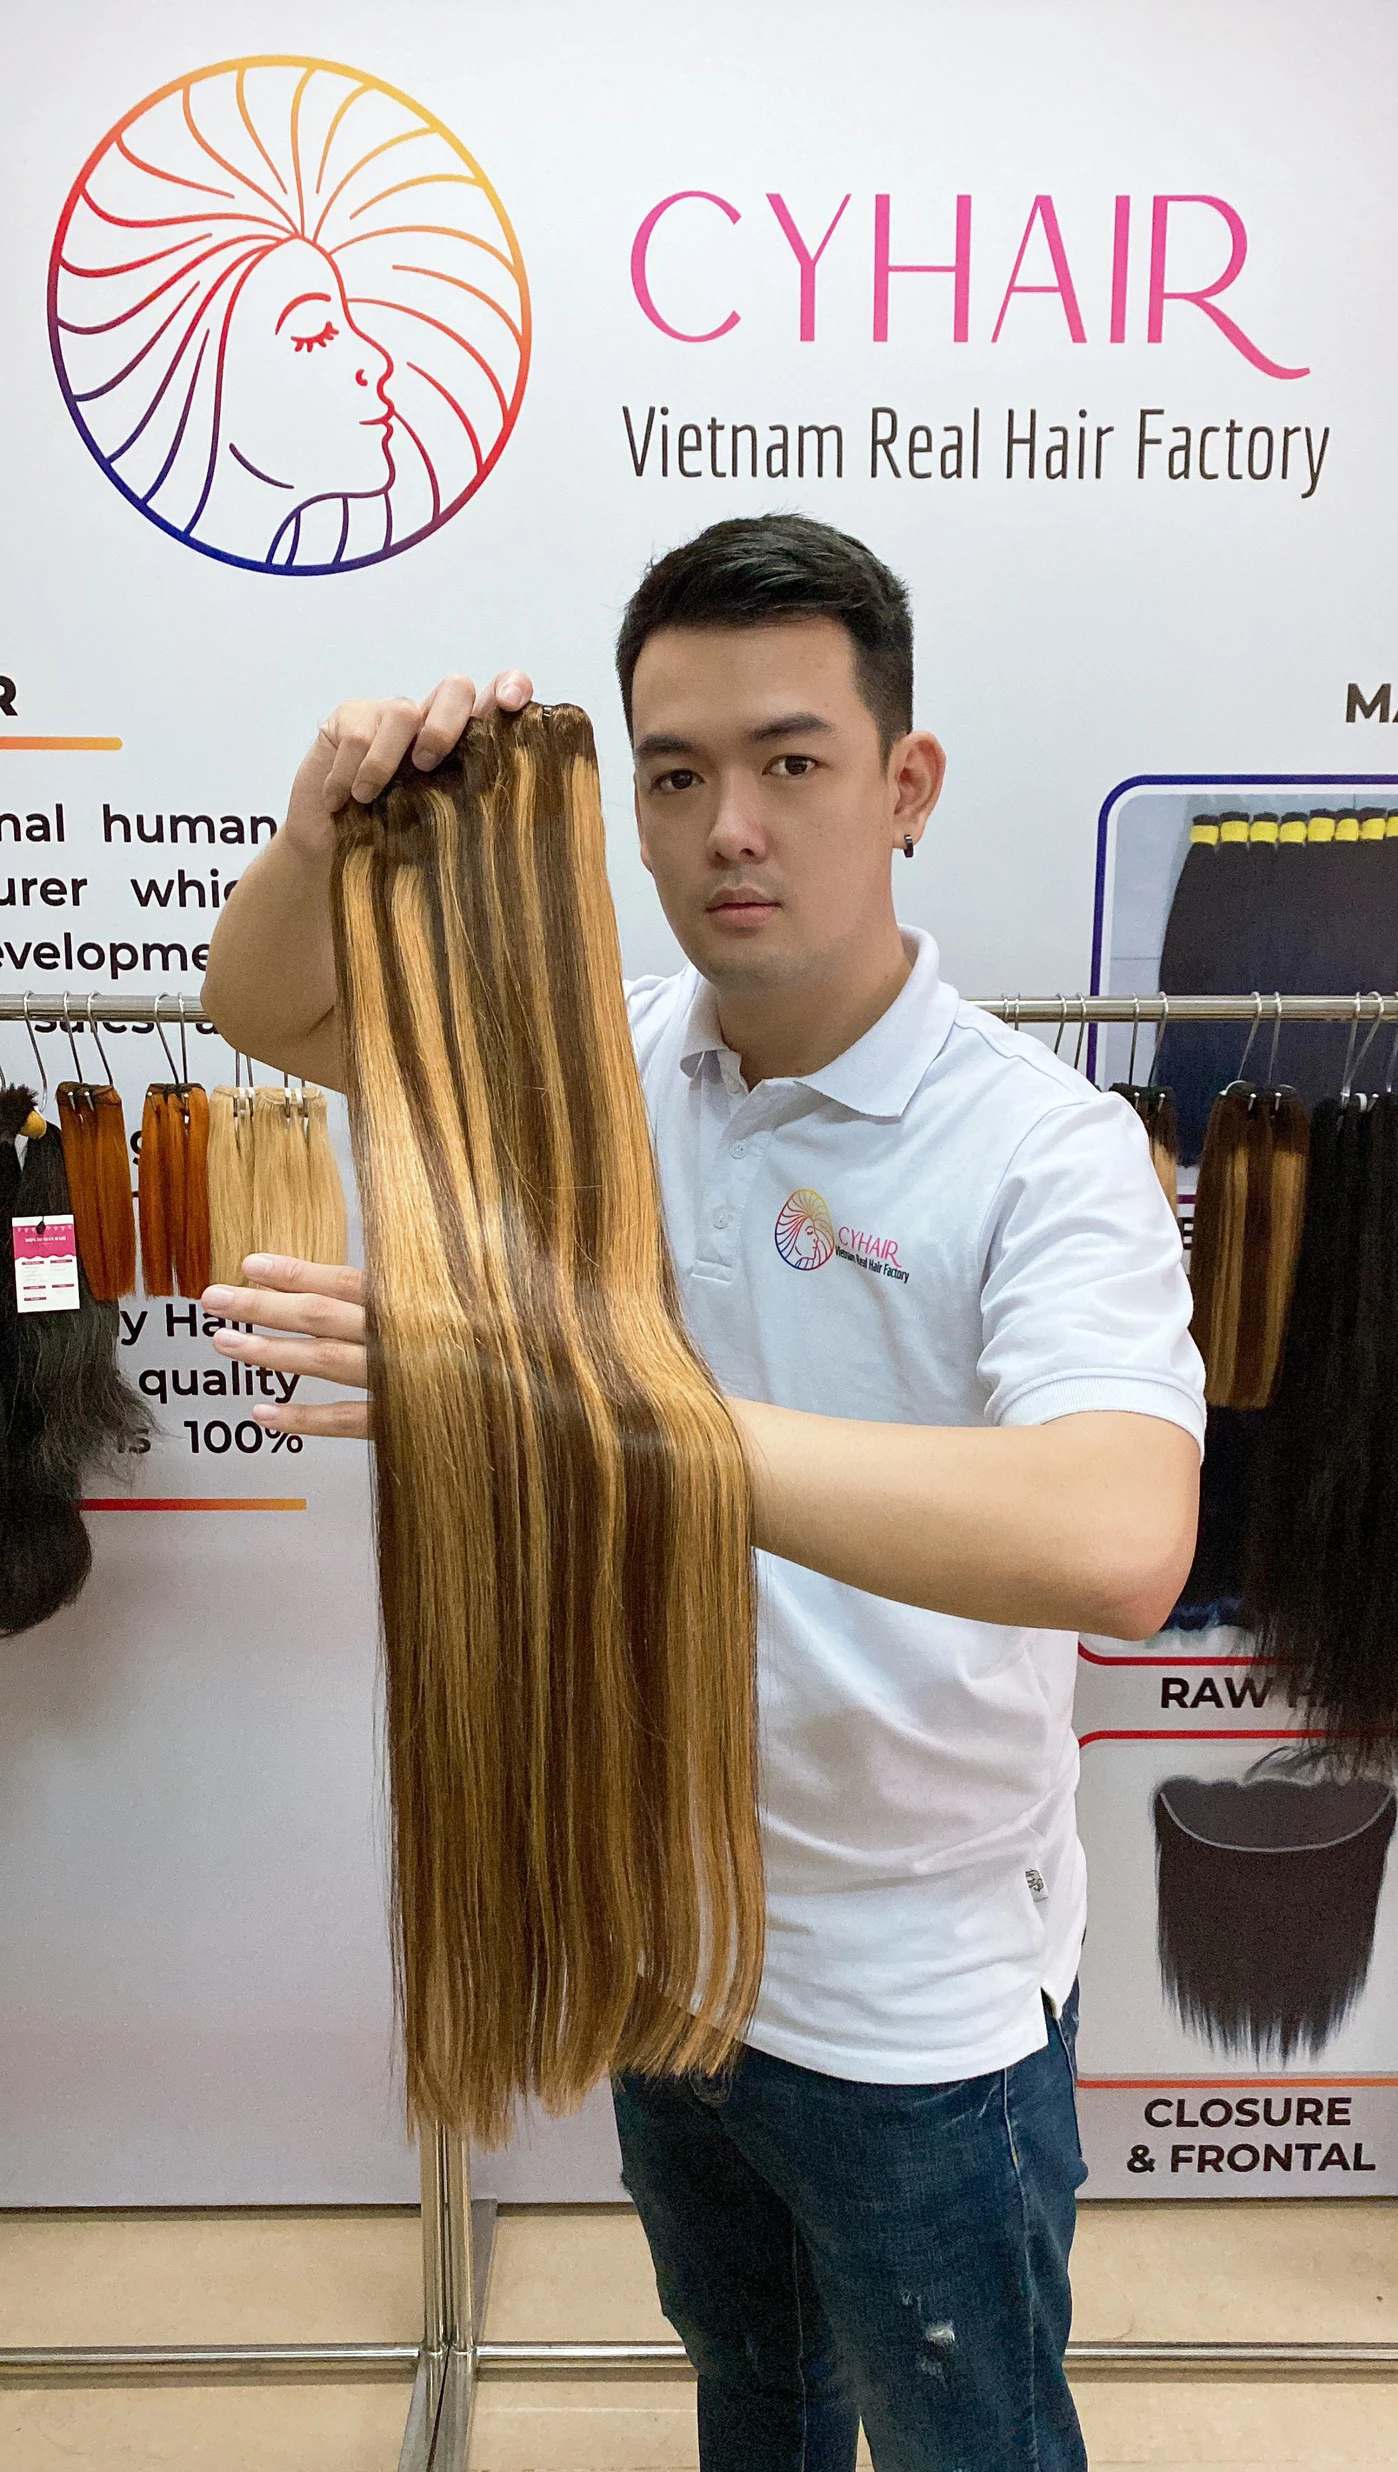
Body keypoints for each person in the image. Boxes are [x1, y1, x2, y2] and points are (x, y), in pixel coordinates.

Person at [200, 514, 1203, 2472]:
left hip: (919, 2014)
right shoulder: (604, 1067)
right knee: (756, 2407)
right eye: (674, 778)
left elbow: (1117, 1540)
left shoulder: (1044, 1150)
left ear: (905, 785)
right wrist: (320, 830)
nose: (729, 827)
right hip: (667, 1952)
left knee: (976, 2445)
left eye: (790, 761)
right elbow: (266, 1011)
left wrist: (584, 1401)